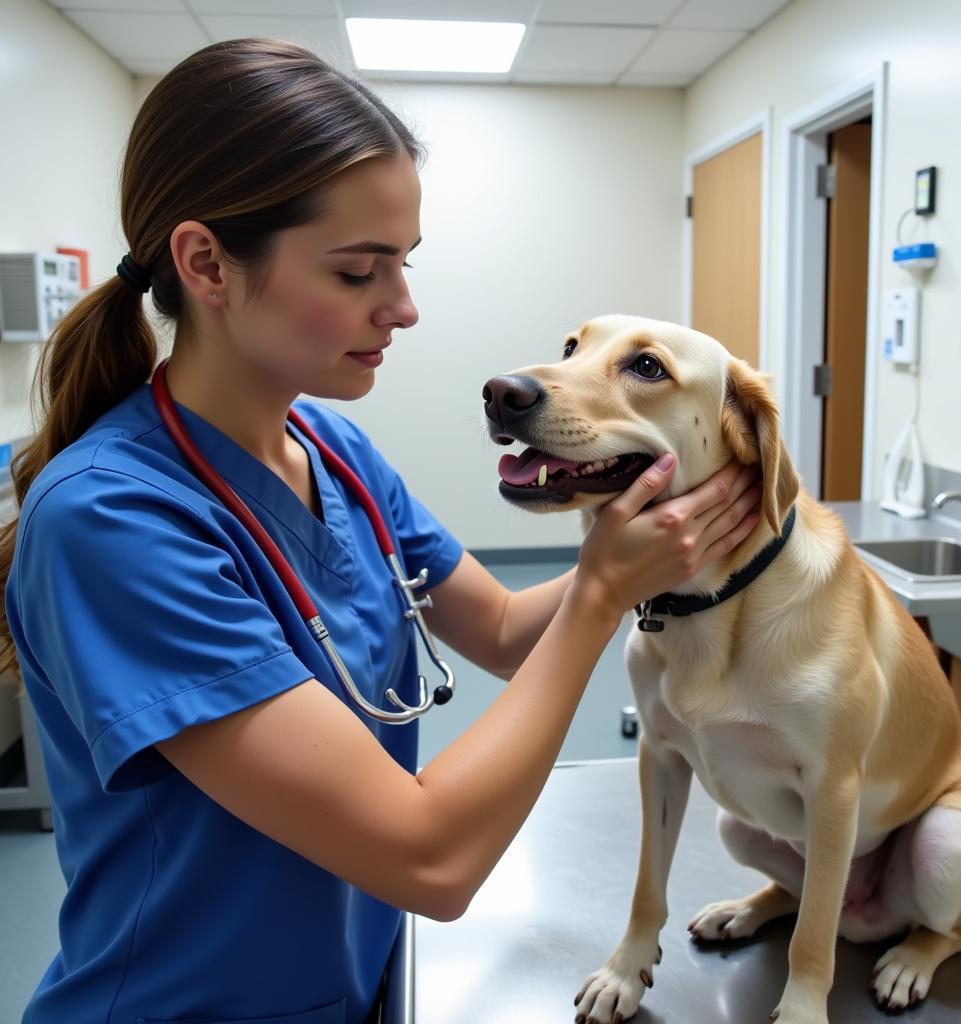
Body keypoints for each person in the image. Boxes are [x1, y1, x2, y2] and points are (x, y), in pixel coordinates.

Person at [0, 38, 761, 1024]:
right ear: (206, 264)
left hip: (351, 990)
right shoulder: (111, 523)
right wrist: (603, 593)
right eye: (360, 271)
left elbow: (492, 628)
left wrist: (638, 547)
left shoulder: (334, 448)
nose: (402, 307)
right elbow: (429, 856)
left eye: (401, 264)